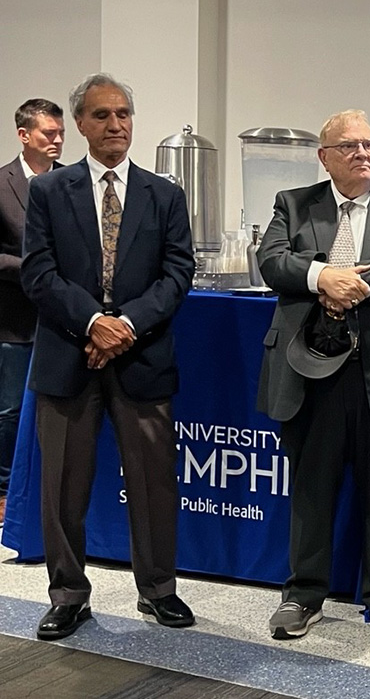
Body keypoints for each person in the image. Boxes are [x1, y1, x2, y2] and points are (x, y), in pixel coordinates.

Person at [256, 109, 370, 644]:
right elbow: (272, 261)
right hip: (309, 370)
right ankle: (302, 596)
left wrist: (354, 281)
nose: (363, 154)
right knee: (311, 488)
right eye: (350, 147)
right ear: (325, 157)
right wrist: (321, 276)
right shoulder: (293, 205)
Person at [21, 73, 196, 640]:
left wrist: (125, 325)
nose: (115, 124)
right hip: (67, 359)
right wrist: (94, 323)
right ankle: (69, 595)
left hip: (142, 359)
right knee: (63, 485)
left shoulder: (164, 194)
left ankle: (159, 590)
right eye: (101, 115)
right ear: (80, 125)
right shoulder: (49, 191)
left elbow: (177, 272)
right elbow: (38, 273)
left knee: (153, 482)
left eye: (123, 114)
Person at [0, 99, 65, 527]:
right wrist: (33, 270)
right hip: (14, 319)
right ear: (25, 136)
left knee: (58, 408)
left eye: (61, 133)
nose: (57, 140)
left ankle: (48, 493)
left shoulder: (71, 184)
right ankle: (5, 492)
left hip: (64, 317)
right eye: (48, 134)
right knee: (9, 410)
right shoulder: (1, 184)